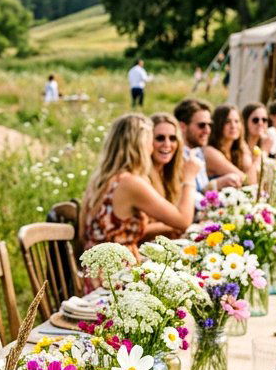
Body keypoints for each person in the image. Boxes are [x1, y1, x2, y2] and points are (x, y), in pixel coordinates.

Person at [80, 113, 200, 282]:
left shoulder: (103, 179)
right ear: (141, 144)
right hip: (116, 280)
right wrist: (189, 179)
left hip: (98, 274)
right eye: (152, 140)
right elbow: (183, 220)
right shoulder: (130, 183)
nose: (152, 147)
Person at [173, 98, 213, 193]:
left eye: (209, 125)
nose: (207, 130)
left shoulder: (197, 151)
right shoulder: (174, 156)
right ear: (182, 127)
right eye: (201, 125)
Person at [209, 104, 255, 185]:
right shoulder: (210, 152)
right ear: (218, 124)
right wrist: (259, 157)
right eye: (227, 122)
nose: (233, 126)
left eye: (237, 121)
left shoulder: (238, 149)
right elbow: (247, 181)